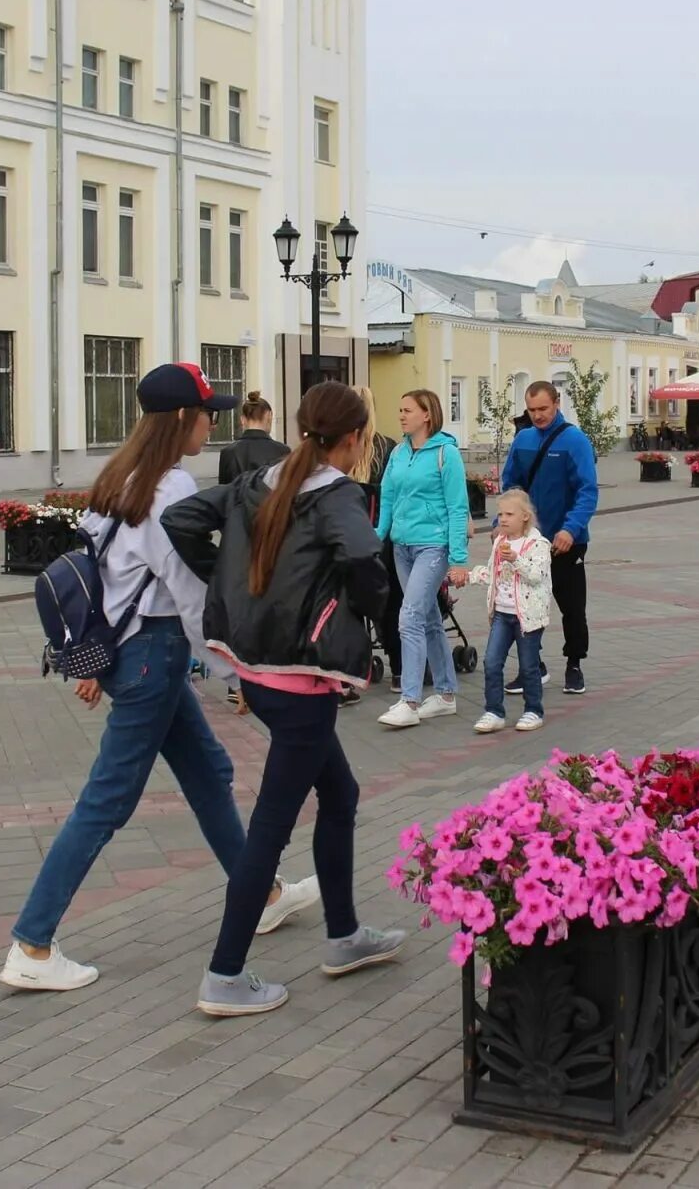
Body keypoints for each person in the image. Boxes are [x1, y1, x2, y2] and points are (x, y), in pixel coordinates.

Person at [3, 363, 316, 994]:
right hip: (153, 654)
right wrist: (240, 667)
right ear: (182, 420)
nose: (214, 423)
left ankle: (263, 892)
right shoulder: (170, 488)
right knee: (107, 801)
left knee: (207, 772)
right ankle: (33, 943)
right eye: (208, 413)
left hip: (137, 655)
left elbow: (111, 571)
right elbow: (187, 589)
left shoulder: (125, 473)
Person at [163, 382, 404, 1017]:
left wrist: (231, 582)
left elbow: (180, 519)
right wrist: (368, 611)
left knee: (341, 794)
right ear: (352, 441)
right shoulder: (336, 494)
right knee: (270, 828)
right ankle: (224, 973)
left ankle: (345, 936)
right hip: (300, 686)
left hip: (261, 677)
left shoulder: (259, 482)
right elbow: (361, 554)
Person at [374, 389, 471, 729]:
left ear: (427, 415)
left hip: (433, 547)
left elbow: (459, 508)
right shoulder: (398, 452)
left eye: (408, 410)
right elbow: (387, 498)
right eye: (399, 410)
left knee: (410, 616)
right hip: (402, 548)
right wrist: (377, 539)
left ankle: (410, 700)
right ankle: (445, 695)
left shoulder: (447, 453)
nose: (401, 416)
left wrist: (458, 559)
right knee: (428, 618)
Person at [497, 381, 599, 697]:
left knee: (572, 607)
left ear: (556, 403)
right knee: (523, 607)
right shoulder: (524, 439)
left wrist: (570, 528)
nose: (538, 415)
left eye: (543, 408)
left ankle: (574, 664)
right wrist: (503, 523)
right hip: (528, 542)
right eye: (532, 410)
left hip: (566, 540)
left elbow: (587, 490)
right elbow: (511, 485)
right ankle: (533, 667)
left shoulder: (574, 440)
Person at [459, 488, 551, 733]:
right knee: (491, 662)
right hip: (502, 613)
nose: (503, 519)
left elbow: (535, 575)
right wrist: (467, 576)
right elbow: (492, 572)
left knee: (528, 665)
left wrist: (515, 559)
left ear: (525, 516)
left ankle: (533, 710)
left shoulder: (538, 544)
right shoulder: (500, 541)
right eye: (500, 514)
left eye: (509, 514)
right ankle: (494, 711)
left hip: (527, 618)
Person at [350, 387, 402, 699]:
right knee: (391, 606)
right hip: (384, 541)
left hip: (351, 539)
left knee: (351, 608)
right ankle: (399, 671)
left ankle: (353, 672)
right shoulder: (389, 448)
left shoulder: (344, 445)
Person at [216, 390, 289, 483]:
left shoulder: (228, 453)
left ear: (242, 419)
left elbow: (223, 492)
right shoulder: (283, 451)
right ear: (269, 416)